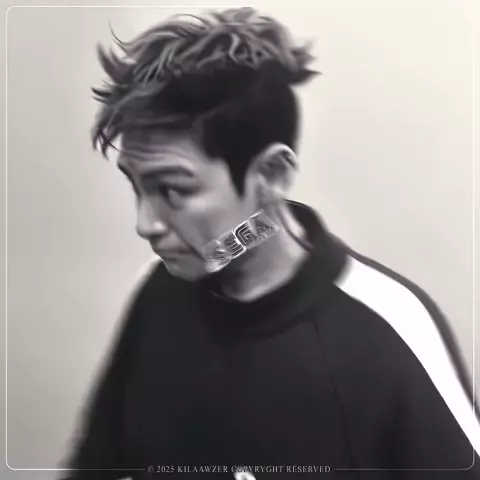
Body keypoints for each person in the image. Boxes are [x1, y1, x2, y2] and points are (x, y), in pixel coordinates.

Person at [61, 7, 480, 479]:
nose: (146, 224)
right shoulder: (159, 293)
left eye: (173, 190)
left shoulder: (390, 327)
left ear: (272, 174)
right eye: (137, 185)